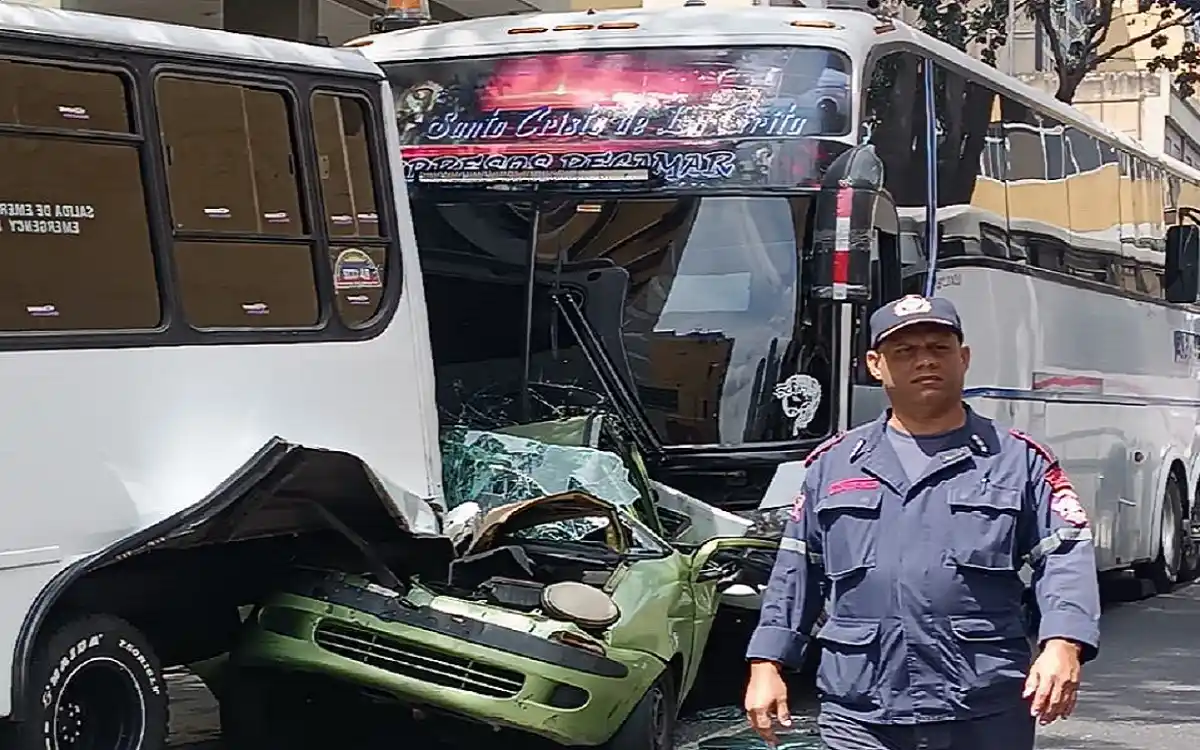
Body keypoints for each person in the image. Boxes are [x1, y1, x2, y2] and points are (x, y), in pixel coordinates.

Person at [743, 294, 1101, 750]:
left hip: (982, 707)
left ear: (964, 358)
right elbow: (796, 572)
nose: (925, 361)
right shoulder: (833, 466)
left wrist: (1063, 643)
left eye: (939, 348)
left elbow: (1065, 556)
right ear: (875, 364)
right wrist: (766, 664)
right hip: (861, 709)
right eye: (905, 352)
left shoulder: (1017, 462)